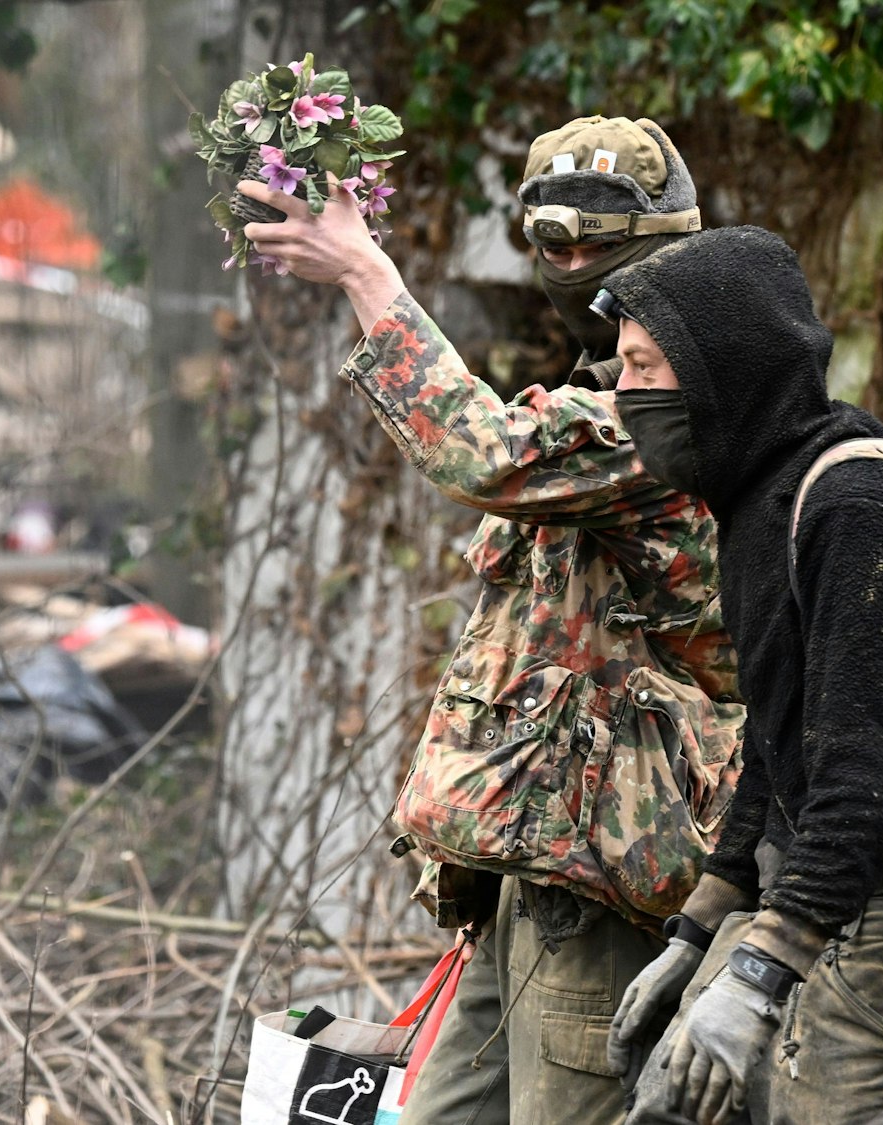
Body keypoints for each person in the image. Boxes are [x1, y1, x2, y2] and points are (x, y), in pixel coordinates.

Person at [239, 117, 742, 1125]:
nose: (569, 270)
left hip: (609, 875)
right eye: (550, 246)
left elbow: (482, 451)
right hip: (533, 863)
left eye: (597, 249)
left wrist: (364, 275)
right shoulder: (607, 394)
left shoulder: (676, 414)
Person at [595, 226, 883, 1125]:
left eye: (643, 368)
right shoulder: (758, 503)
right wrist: (699, 931)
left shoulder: (853, 512)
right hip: (811, 902)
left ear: (722, 372)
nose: (623, 392)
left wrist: (754, 974)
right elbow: (780, 752)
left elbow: (861, 787)